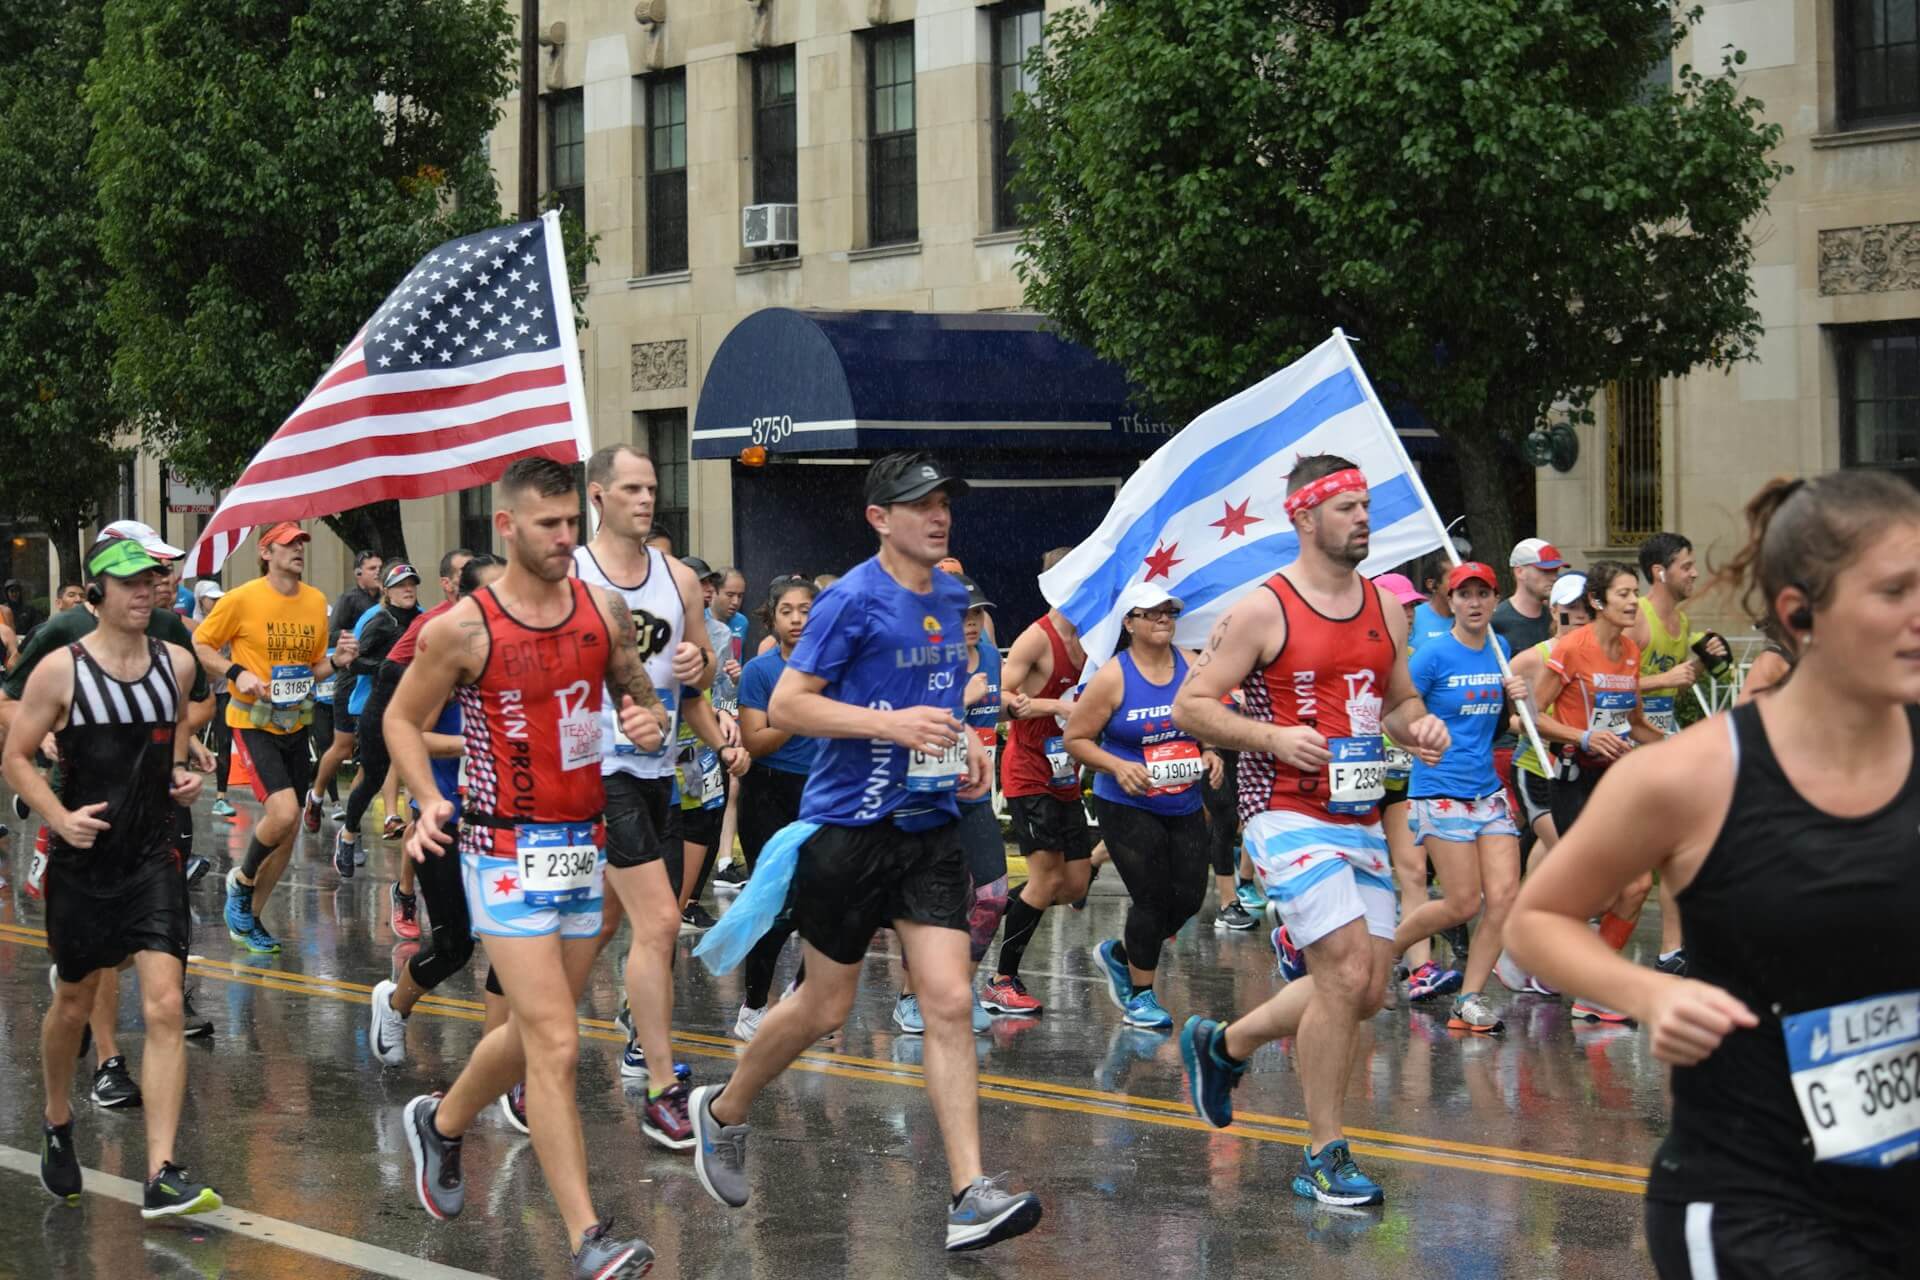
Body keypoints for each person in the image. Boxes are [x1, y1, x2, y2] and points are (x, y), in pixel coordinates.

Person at [1507, 471, 1920, 1278]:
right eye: (1895, 592)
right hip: (1757, 1206)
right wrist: (1650, 992)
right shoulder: (1692, 777)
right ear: (1801, 616)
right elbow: (1538, 919)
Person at [688, 452, 1044, 1254]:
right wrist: (891, 727)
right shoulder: (850, 600)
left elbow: (940, 695)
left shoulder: (953, 595)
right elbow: (787, 704)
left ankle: (968, 1193)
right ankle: (723, 1110)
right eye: (919, 504)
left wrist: (964, 747)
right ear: (879, 518)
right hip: (849, 829)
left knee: (951, 1001)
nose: (938, 514)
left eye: (945, 500)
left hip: (927, 830)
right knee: (825, 1008)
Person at [386, 456, 670, 1278]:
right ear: (504, 526)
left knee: (522, 1035)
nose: (564, 539)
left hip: (583, 843)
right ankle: (586, 1237)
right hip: (501, 849)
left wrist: (647, 721)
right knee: (552, 1038)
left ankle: (439, 1124)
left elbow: (632, 695)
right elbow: (402, 722)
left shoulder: (601, 610)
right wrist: (425, 798)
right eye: (547, 525)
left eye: (571, 523)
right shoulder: (462, 629)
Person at [1172, 455, 1448, 1208]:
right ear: (1303, 517)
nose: (1363, 519)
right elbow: (1192, 705)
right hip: (1283, 810)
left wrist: (1418, 726)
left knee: (1366, 992)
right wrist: (1271, 738)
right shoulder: (1264, 608)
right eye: (1347, 508)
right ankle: (1324, 1153)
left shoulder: (1387, 610)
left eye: (1367, 507)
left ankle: (1224, 1044)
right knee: (1344, 968)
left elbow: (1396, 702)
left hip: (1356, 811)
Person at [1, 534, 222, 1219]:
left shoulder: (177, 665)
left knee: (162, 1004)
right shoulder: (60, 672)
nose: (144, 592)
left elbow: (166, 746)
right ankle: (58, 1118)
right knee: (72, 1002)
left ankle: (161, 1172)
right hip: (84, 862)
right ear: (96, 593)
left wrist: (180, 776)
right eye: (129, 583)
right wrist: (59, 818)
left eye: (152, 581)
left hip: (152, 855)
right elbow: (14, 758)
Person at [573, 443, 729, 1150]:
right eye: (631, 488)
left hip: (658, 769)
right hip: (592, 769)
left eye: (652, 487)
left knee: (604, 925)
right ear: (598, 495)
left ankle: (519, 1055)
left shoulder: (677, 578)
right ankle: (662, 1087)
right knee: (661, 921)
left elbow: (698, 674)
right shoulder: (573, 573)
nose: (646, 499)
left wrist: (706, 677)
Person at [367, 553, 511, 1064]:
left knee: (513, 943)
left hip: (505, 822)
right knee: (454, 948)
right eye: (490, 593)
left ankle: (499, 1070)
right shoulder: (448, 659)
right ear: (465, 599)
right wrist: (473, 745)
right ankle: (395, 1004)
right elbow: (411, 734)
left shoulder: (518, 657)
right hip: (445, 818)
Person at [1064, 584, 1221, 1031]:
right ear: (1128, 623)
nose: (1162, 619)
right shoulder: (1114, 676)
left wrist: (1209, 751)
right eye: (1150, 614)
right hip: (1126, 802)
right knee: (1151, 897)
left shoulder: (1191, 666)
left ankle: (1120, 954)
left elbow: (1205, 719)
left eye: (1168, 612)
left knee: (1190, 897)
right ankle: (1140, 995)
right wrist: (1117, 765)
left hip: (1183, 799)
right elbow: (1076, 739)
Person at [193, 522, 352, 955]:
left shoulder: (315, 600)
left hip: (295, 726)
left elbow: (312, 668)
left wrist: (336, 662)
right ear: (266, 552)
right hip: (252, 722)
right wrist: (235, 672)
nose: (299, 549)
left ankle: (249, 919)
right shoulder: (243, 598)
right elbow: (201, 644)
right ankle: (242, 882)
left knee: (288, 829)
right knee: (282, 813)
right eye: (289, 544)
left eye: (302, 543)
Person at [1393, 562, 1530, 1034]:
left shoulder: (1500, 647)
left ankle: (1469, 1000)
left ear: (1496, 599)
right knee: (1462, 903)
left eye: (1483, 594)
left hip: (1486, 789)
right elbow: (1392, 712)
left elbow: (1498, 719)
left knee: (1506, 896)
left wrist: (1517, 696)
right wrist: (1416, 746)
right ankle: (1384, 951)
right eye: (1464, 594)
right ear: (1449, 601)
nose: (1474, 603)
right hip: (1440, 788)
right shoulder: (1431, 656)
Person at [1528, 560, 1664, 1023]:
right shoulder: (1571, 648)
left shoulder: (1629, 651)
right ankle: (1537, 947)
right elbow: (1527, 718)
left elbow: (1637, 724)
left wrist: (1692, 750)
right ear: (1598, 602)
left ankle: (1593, 990)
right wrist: (1583, 737)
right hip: (1573, 778)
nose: (1633, 602)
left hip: (1615, 780)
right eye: (1624, 594)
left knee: (1638, 885)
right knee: (1601, 892)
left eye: (1635, 593)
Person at [985, 550, 1093, 1016]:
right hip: (1029, 770)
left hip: (1066, 771)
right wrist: (1053, 707)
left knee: (1072, 886)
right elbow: (999, 700)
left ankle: (985, 912)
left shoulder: (1093, 635)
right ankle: (1001, 979)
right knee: (1045, 879)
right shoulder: (1036, 639)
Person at [896, 572, 1003, 1035]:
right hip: (928, 798)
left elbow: (990, 722)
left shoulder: (992, 660)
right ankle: (909, 996)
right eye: (962, 615)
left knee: (993, 897)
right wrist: (962, 697)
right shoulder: (924, 662)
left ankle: (959, 983)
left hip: (975, 795)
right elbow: (907, 720)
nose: (972, 623)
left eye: (977, 613)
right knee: (933, 905)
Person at [1629, 531, 1732, 979]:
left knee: (1680, 848)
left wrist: (1708, 658)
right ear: (1660, 572)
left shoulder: (1682, 625)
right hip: (1626, 748)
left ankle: (1673, 950)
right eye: (1686, 565)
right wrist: (1663, 679)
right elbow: (1604, 683)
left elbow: (1683, 675)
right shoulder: (1639, 620)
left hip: (1662, 744)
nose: (1694, 573)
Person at [732, 576, 825, 1041]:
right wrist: (798, 711)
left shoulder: (835, 667)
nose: (797, 620)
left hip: (824, 793)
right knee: (776, 905)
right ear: (773, 617)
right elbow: (755, 741)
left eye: (806, 609)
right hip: (769, 794)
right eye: (787, 611)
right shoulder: (760, 671)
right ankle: (752, 1008)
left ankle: (800, 995)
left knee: (831, 901)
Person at [330, 562, 424, 877]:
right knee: (372, 777)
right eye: (400, 585)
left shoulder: (424, 619)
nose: (408, 590)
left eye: (411, 584)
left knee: (420, 774)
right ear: (386, 590)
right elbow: (353, 664)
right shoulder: (381, 621)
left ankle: (418, 839)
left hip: (413, 710)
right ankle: (349, 833)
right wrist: (389, 666)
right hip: (378, 710)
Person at [306, 549, 384, 827]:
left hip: (377, 683)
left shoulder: (389, 600)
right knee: (342, 746)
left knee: (377, 752)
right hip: (350, 680)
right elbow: (332, 632)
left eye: (380, 567)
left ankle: (363, 822)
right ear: (358, 573)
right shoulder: (350, 600)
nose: (377, 572)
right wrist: (360, 635)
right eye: (372, 568)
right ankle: (316, 796)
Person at [191, 580, 238, 818]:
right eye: (212, 599)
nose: (217, 602)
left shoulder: (227, 625)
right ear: (200, 600)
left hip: (225, 692)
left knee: (225, 742)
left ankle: (221, 796)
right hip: (200, 694)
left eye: (220, 598)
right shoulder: (194, 627)